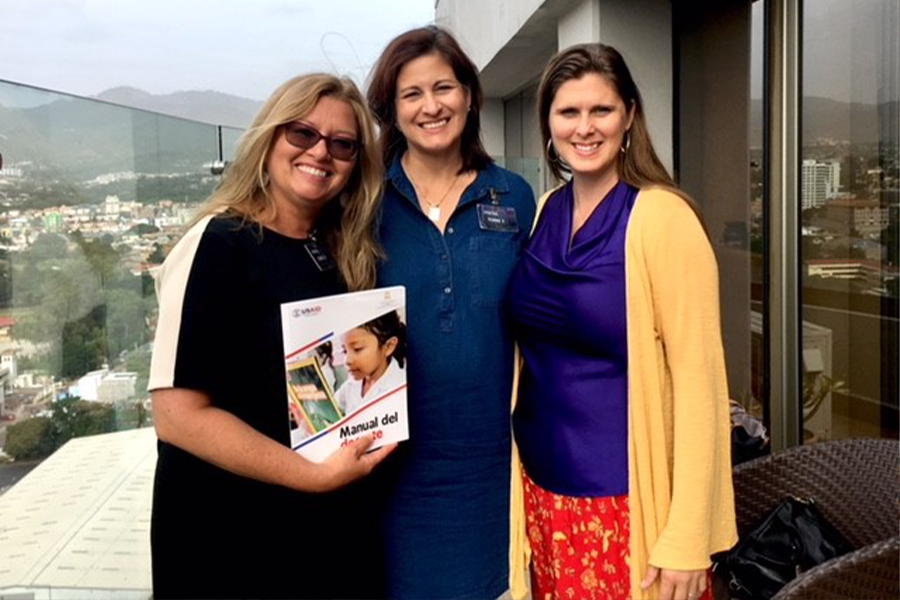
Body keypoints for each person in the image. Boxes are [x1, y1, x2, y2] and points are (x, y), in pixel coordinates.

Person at [505, 44, 738, 600]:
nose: (585, 128)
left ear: (629, 115)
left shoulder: (662, 217)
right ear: (549, 123)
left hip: (627, 505)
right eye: (568, 112)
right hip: (539, 493)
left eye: (601, 111)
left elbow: (699, 384)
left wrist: (685, 536)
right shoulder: (545, 210)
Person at [148, 73, 393, 599]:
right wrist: (315, 476)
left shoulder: (336, 251)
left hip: (318, 538)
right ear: (270, 138)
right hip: (229, 542)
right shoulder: (217, 243)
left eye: (342, 144)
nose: (320, 152)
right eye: (302, 133)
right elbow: (177, 416)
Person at [367, 25, 537, 600]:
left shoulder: (513, 195)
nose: (431, 106)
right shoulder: (363, 201)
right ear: (392, 107)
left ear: (468, 93)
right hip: (394, 470)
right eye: (412, 94)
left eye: (444, 87)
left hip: (497, 462)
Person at [335, 310, 407, 416]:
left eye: (357, 349)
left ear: (388, 347)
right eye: (344, 351)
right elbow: (334, 404)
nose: (347, 360)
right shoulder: (351, 384)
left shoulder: (400, 387)